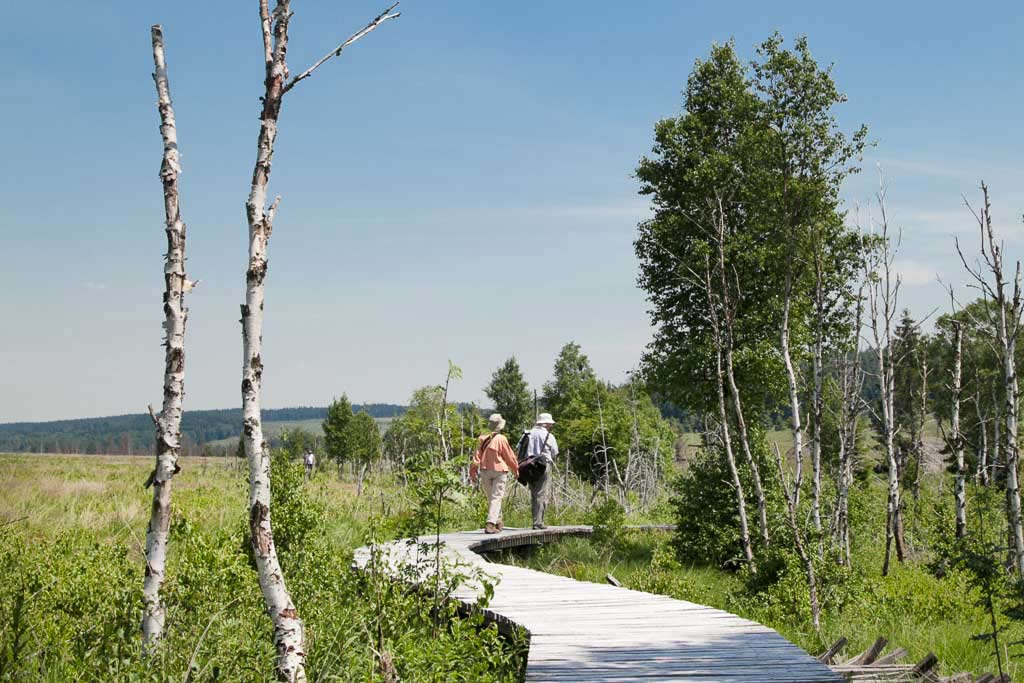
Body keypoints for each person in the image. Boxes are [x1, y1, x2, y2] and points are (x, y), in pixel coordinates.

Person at [469, 413, 519, 534]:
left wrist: (473, 471)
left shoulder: (481, 438)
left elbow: (476, 457)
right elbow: (509, 457)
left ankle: (498, 521)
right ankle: (490, 524)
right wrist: (515, 469)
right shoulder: (502, 439)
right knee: (496, 498)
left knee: (492, 498)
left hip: (485, 470)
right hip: (500, 471)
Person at [526, 413, 558, 529]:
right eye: (550, 424)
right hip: (543, 465)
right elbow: (554, 452)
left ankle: (536, 520)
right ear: (545, 424)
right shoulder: (549, 436)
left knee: (534, 493)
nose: (551, 426)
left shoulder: (528, 433)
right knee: (541, 493)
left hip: (528, 466)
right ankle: (538, 522)